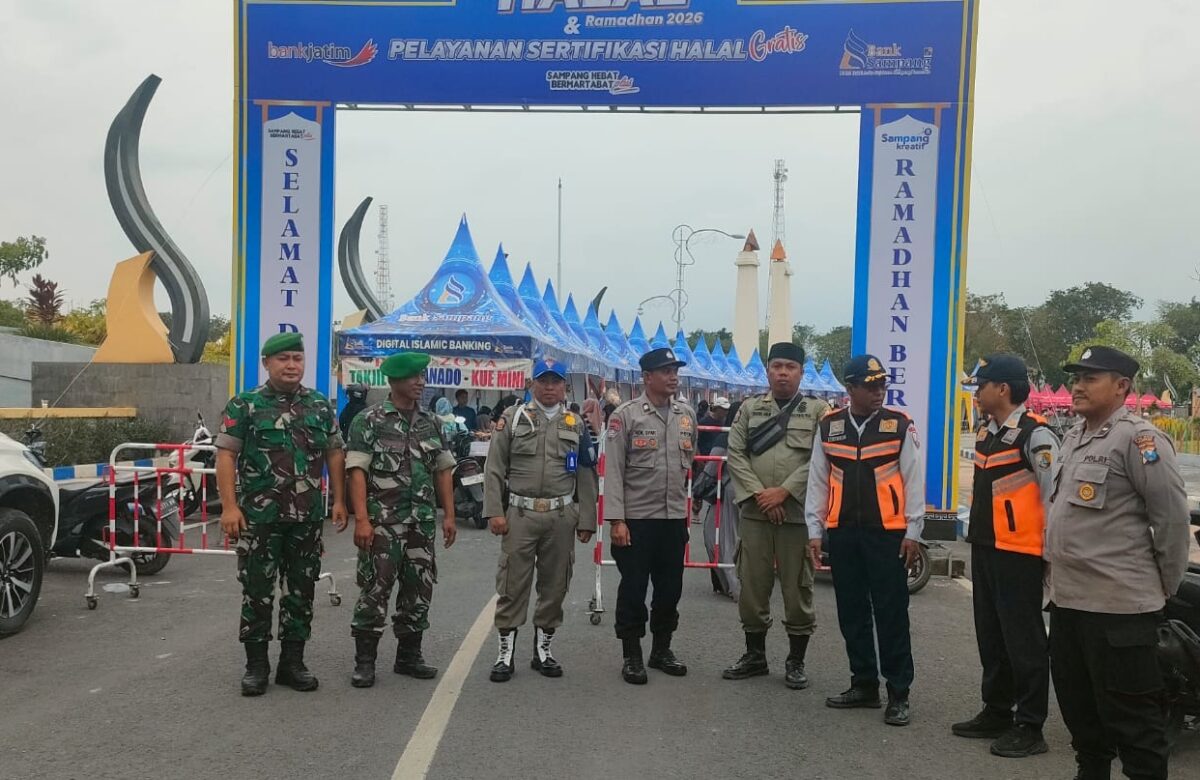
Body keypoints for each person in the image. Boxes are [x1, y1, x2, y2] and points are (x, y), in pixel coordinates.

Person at [1046, 346, 1189, 780]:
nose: (1077, 386)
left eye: (1090, 378)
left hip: (1119, 611)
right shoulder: (1074, 436)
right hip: (1069, 605)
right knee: (1082, 718)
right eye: (1076, 378)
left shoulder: (1140, 440)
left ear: (1122, 386)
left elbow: (1171, 520)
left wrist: (1162, 589)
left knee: (1135, 726)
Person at [215, 332, 348, 697]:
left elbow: (334, 453)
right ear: (267, 363)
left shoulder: (319, 405)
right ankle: (256, 666)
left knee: (301, 591)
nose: (292, 365)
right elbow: (226, 455)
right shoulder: (245, 405)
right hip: (259, 518)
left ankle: (293, 663)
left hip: (306, 518)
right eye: (283, 359)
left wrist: (339, 500)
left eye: (297, 358)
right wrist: (229, 506)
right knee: (257, 591)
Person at [805, 354, 924, 726]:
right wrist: (814, 531)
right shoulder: (829, 426)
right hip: (843, 533)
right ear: (850, 388)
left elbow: (913, 481)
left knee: (891, 614)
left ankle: (899, 693)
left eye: (882, 385)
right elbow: (818, 480)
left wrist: (913, 532)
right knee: (851, 612)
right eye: (870, 385)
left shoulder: (899, 425)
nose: (878, 391)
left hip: (887, 535)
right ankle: (864, 684)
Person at [954, 354, 1059, 757]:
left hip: (1020, 554)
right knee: (991, 635)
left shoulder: (1037, 435)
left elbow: (1054, 499)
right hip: (986, 547)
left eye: (981, 386)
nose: (976, 393)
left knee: (1024, 640)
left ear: (1003, 388)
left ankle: (1030, 725)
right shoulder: (987, 431)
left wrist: (1050, 556)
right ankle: (997, 710)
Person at [345, 351, 458, 689]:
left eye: (422, 376)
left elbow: (443, 470)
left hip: (421, 522)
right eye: (413, 377)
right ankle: (365, 662)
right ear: (394, 380)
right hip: (383, 522)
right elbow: (356, 471)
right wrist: (362, 520)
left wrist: (449, 516)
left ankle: (409, 656)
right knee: (375, 589)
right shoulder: (369, 420)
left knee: (418, 589)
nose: (420, 382)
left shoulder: (431, 422)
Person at [482, 359, 598, 681]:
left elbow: (586, 472)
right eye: (543, 381)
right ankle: (505, 653)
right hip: (520, 513)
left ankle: (543, 650)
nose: (549, 387)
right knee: (512, 584)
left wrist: (587, 519)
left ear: (564, 386)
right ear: (532, 384)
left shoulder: (575, 423)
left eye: (555, 381)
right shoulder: (512, 418)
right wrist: (494, 511)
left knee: (555, 584)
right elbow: (494, 467)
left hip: (561, 515)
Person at [722, 344, 827, 689]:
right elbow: (736, 454)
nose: (783, 372)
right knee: (752, 586)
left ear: (801, 372)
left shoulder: (818, 411)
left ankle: (796, 661)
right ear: (767, 371)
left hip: (797, 516)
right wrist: (761, 495)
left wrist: (784, 491)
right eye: (777, 366)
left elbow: (820, 459)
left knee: (798, 589)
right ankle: (755, 656)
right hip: (756, 514)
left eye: (790, 367)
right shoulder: (750, 408)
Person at [605, 347, 697, 684]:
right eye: (665, 371)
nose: (673, 377)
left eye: (675, 371)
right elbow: (614, 472)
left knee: (670, 589)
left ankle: (661, 649)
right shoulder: (626, 416)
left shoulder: (686, 414)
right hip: (637, 520)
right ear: (647, 377)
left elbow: (690, 460)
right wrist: (617, 520)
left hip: (672, 519)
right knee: (633, 589)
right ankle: (632, 654)